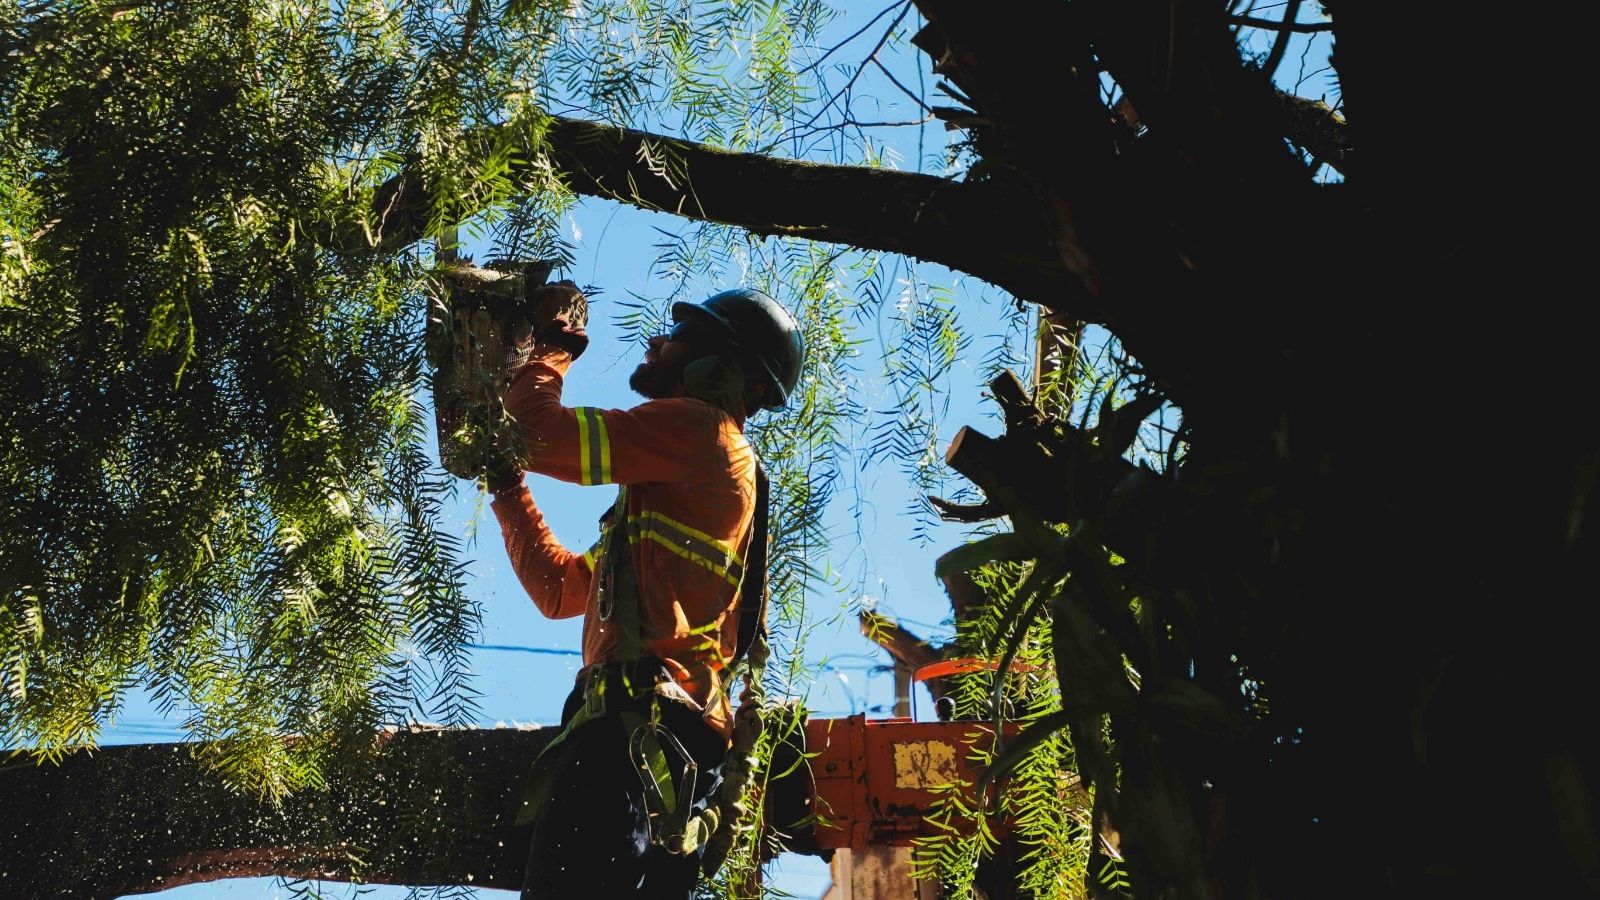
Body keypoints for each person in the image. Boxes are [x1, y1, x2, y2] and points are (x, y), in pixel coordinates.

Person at [485, 285, 803, 899]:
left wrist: (549, 349)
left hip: (634, 742)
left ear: (718, 364)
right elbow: (558, 590)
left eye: (678, 336)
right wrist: (507, 487)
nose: (657, 343)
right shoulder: (675, 497)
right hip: (663, 752)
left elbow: (535, 429)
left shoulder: (703, 434)